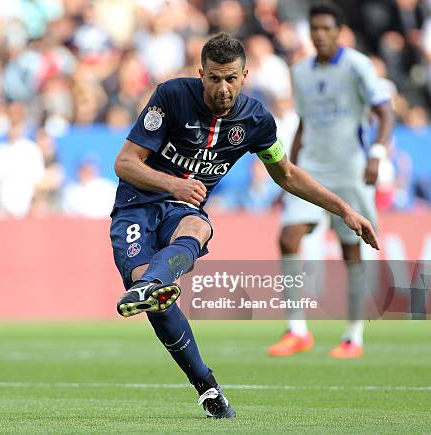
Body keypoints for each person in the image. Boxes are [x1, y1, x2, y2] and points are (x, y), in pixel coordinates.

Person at [110, 32, 378, 419]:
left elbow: (286, 174)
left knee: (199, 229)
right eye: (214, 78)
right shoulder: (170, 97)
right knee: (156, 300)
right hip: (136, 206)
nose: (222, 88)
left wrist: (345, 210)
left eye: (231, 79)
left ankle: (152, 283)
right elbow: (125, 162)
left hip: (182, 210)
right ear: (201, 74)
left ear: (245, 75)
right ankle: (207, 387)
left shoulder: (255, 121)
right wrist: (175, 184)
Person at [267, 2, 394, 359]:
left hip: (350, 171)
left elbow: (385, 112)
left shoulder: (357, 65)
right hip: (310, 168)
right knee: (288, 237)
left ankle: (353, 336)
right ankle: (297, 330)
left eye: (326, 28)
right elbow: (304, 122)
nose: (319, 35)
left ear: (338, 32)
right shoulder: (301, 71)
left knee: (351, 251)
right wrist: (286, 168)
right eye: (314, 29)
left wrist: (377, 154)